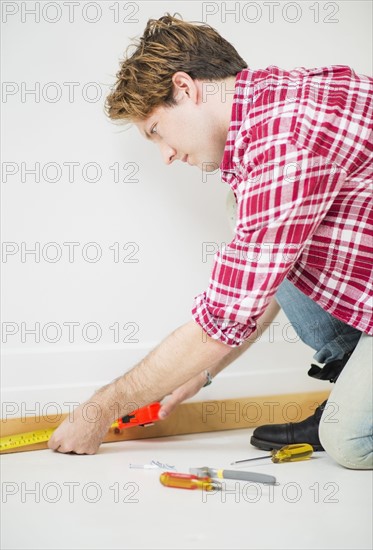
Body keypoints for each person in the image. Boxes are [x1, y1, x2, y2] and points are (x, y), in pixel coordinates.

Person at [48, 14, 372, 469]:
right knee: (241, 211)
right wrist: (202, 373)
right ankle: (355, 383)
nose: (165, 155)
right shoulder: (270, 102)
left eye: (156, 130)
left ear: (185, 87)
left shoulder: (285, 142)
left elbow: (222, 318)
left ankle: (358, 414)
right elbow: (258, 285)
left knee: (350, 442)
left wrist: (99, 409)